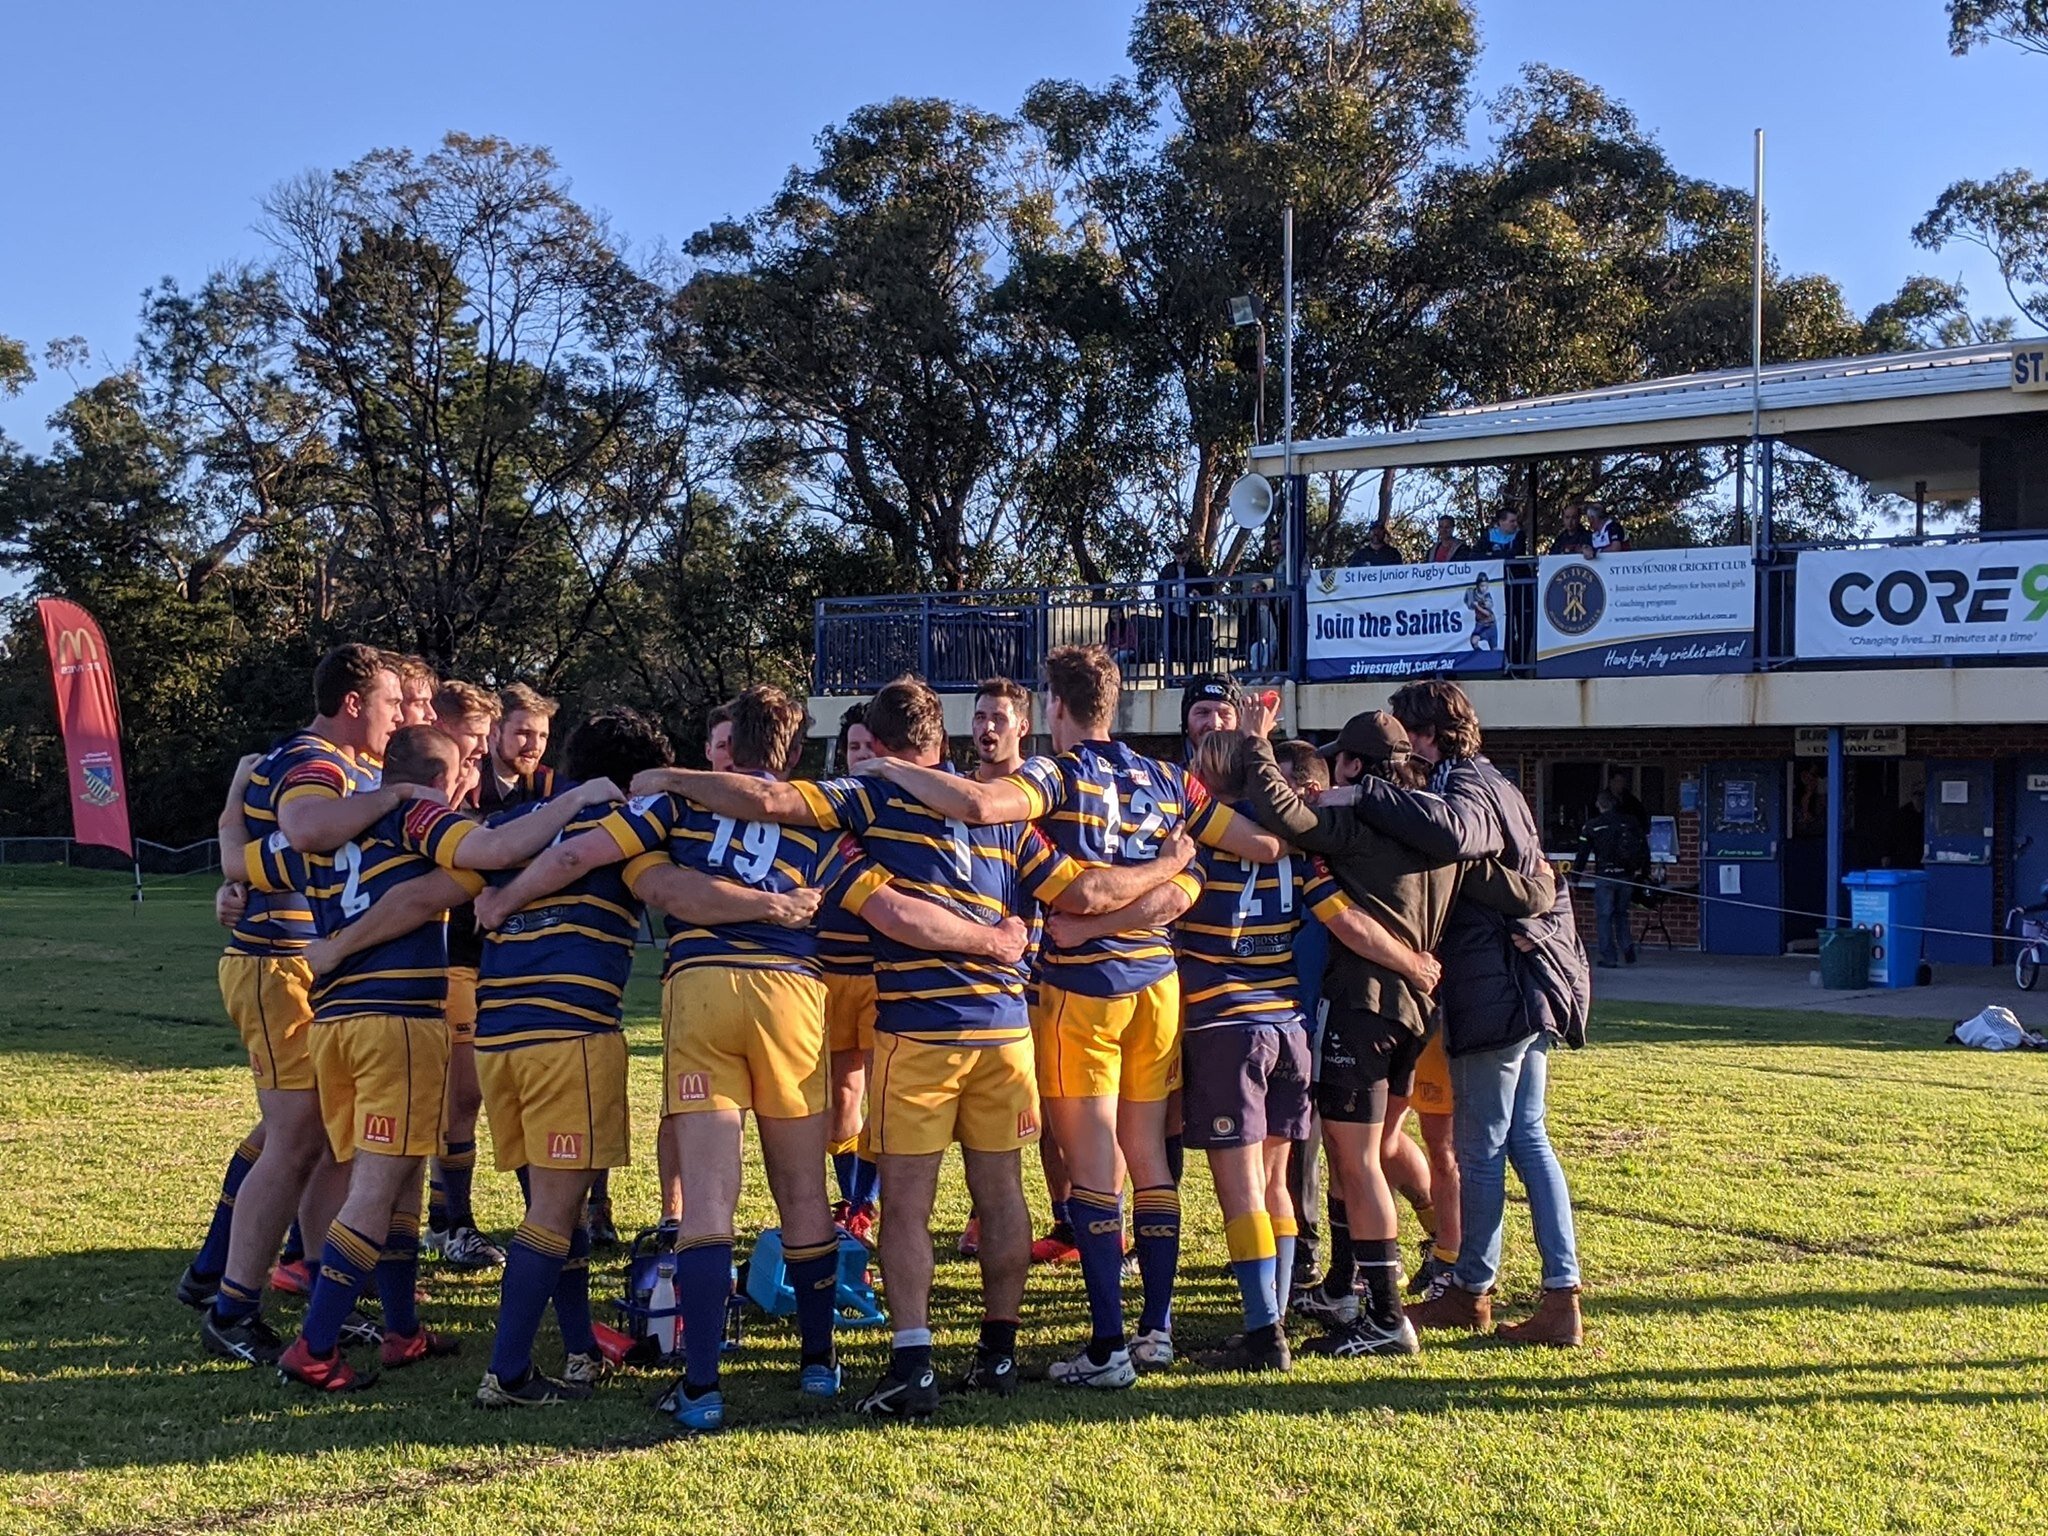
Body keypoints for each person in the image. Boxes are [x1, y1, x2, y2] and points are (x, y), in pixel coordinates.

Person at [623, 675, 1183, 1417]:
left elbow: (778, 808)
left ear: (880, 748)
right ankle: (999, 1349)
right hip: (1005, 1028)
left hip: (919, 1031)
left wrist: (670, 777)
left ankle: (912, 1360)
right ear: (943, 740)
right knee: (1003, 1191)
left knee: (908, 1207)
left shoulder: (871, 796)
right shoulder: (1006, 812)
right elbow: (1082, 893)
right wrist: (1171, 868)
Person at [861, 645, 1289, 1385]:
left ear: (1054, 708)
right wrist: (1185, 854)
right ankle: (1156, 1331)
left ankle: (1108, 1349)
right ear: (1114, 704)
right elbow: (1261, 842)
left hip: (1082, 991)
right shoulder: (1165, 778)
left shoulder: (1054, 773)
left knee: (1093, 1172)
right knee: (1150, 1164)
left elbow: (979, 804)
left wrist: (888, 767)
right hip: (1158, 983)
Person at [227, 723, 627, 1390]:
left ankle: (402, 1329)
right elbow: (496, 847)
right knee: (379, 1188)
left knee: (401, 1177)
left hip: (332, 1025)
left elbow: (238, 863)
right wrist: (570, 802)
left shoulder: (329, 830)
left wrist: (238, 793)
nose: (474, 772)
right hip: (397, 1021)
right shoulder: (419, 815)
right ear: (443, 777)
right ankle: (315, 1347)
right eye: (466, 763)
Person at [1236, 701, 1550, 1358]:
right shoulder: (1442, 835)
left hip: (1362, 1003)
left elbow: (1283, 813)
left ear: (1353, 766)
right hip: (1416, 1013)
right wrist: (1546, 882)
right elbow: (1517, 891)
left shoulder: (1356, 822)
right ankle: (1356, 1294)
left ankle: (1381, 1316)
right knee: (1372, 1153)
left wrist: (1255, 743)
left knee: (1356, 1161)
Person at [1333, 680, 1589, 1347]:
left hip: (1497, 989)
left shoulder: (1466, 784)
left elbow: (1454, 834)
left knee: (1483, 1149)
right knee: (1526, 1141)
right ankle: (1558, 1294)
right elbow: (1508, 876)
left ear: (1425, 735)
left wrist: (1363, 795)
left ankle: (1471, 1291)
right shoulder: (1494, 780)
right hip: (1520, 986)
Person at [193, 644, 415, 1364]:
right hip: (276, 968)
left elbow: (252, 847)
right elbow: (311, 829)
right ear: (354, 703)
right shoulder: (315, 760)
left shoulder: (339, 766)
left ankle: (327, 1290)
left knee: (322, 1143)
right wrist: (393, 797)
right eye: (390, 703)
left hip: (303, 968)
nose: (399, 717)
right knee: (292, 1143)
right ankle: (231, 1306)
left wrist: (234, 847)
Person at [421, 679, 505, 1270]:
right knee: (454, 1097)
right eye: (474, 740)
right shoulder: (419, 790)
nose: (481, 753)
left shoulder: (467, 790)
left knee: (454, 1098)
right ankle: (451, 1224)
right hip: (433, 966)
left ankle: (439, 1221)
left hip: (464, 962)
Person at [820, 703, 882, 1245]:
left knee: (884, 1094)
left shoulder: (895, 809)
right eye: (852, 748)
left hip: (883, 975)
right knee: (842, 1097)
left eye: (868, 747)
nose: (859, 757)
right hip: (832, 974)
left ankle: (867, 1202)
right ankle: (848, 1200)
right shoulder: (825, 808)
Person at [1576, 792, 1648, 968]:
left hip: (1605, 876)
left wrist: (1575, 876)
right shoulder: (1630, 822)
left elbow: (1582, 854)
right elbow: (1644, 847)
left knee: (1604, 917)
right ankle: (1627, 948)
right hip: (1626, 876)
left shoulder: (1593, 826)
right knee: (1622, 914)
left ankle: (1609, 957)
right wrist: (1644, 872)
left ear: (1599, 805)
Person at [479, 683, 558, 812]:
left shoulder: (550, 786)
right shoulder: (462, 782)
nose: (536, 746)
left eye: (543, 736)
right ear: (494, 733)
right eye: (525, 734)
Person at [1156, 546, 1215, 673]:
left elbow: (1208, 588)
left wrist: (1199, 593)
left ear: (1188, 554)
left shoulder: (1196, 569)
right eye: (1178, 557)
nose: (1180, 560)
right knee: (1169, 643)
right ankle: (1169, 674)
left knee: (1188, 643)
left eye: (1183, 557)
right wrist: (1164, 604)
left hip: (1190, 611)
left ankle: (1188, 673)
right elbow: (1159, 589)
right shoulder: (1168, 569)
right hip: (1171, 612)